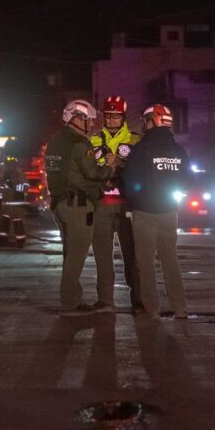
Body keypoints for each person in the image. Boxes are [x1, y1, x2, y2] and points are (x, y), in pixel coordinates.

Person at [44, 99, 114, 316]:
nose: (92, 125)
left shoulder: (55, 141)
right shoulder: (80, 144)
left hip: (59, 204)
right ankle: (69, 304)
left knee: (69, 253)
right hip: (78, 206)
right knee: (77, 255)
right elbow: (93, 173)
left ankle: (72, 300)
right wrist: (109, 166)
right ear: (77, 119)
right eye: (89, 120)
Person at [121, 104, 192, 319]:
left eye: (146, 120)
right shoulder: (179, 150)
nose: (144, 125)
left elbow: (129, 180)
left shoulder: (142, 149)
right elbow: (189, 180)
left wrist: (135, 198)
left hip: (145, 213)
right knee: (170, 260)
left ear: (153, 121)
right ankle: (180, 307)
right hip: (169, 212)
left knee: (145, 262)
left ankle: (151, 309)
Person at [89, 95, 142, 313]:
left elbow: (140, 168)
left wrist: (119, 161)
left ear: (123, 117)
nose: (111, 120)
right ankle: (105, 300)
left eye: (116, 116)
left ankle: (139, 300)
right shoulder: (92, 140)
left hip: (127, 203)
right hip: (101, 203)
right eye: (108, 116)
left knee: (133, 254)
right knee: (102, 254)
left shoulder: (136, 140)